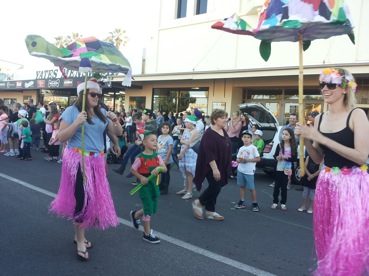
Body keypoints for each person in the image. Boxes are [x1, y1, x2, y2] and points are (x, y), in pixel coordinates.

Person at [295, 68, 369, 275]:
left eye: (331, 85)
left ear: (345, 88)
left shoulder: (357, 114)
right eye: (323, 85)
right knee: (327, 241)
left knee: (347, 243)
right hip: (327, 182)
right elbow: (319, 158)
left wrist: (323, 138)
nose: (325, 89)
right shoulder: (320, 119)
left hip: (352, 185)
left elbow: (361, 156)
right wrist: (307, 139)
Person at [49, 80, 121, 262]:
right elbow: (61, 136)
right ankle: (80, 240)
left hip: (97, 162)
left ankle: (79, 235)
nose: (97, 98)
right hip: (78, 160)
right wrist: (77, 123)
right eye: (93, 94)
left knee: (92, 200)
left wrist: (115, 124)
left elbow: (117, 133)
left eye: (98, 95)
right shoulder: (72, 112)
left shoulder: (102, 113)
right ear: (83, 95)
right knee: (82, 200)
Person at [191, 109, 232, 221]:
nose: (225, 120)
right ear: (215, 119)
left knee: (216, 187)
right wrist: (215, 169)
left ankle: (210, 211)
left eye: (226, 117)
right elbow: (209, 153)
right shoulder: (208, 134)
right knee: (215, 187)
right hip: (210, 166)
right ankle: (198, 202)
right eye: (222, 117)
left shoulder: (223, 130)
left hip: (221, 165)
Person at [129, 130, 167, 244]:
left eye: (156, 140)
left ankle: (135, 215)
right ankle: (147, 233)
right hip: (145, 186)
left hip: (154, 185)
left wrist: (159, 168)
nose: (155, 142)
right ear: (144, 142)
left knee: (152, 207)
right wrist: (140, 177)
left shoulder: (157, 157)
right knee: (148, 210)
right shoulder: (140, 158)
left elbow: (164, 168)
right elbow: (132, 170)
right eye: (152, 140)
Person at [234, 130, 261, 212]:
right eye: (244, 137)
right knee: (242, 187)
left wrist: (247, 160)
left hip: (249, 171)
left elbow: (258, 158)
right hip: (241, 170)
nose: (246, 139)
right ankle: (241, 202)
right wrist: (239, 160)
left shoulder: (253, 148)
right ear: (242, 138)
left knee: (251, 188)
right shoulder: (241, 148)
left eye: (248, 137)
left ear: (251, 139)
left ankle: (255, 203)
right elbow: (237, 158)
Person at [271, 128, 297, 211]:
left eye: (286, 134)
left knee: (284, 187)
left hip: (287, 169)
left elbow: (294, 159)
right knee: (277, 186)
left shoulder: (293, 147)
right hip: (279, 168)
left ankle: (283, 203)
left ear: (290, 136)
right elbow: (275, 156)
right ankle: (275, 202)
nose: (284, 136)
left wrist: (287, 158)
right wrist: (278, 157)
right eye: (283, 134)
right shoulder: (279, 145)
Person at [176, 115, 198, 200]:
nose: (185, 123)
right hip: (184, 150)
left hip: (190, 152)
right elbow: (182, 140)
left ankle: (189, 191)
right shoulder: (186, 130)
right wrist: (185, 142)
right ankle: (185, 189)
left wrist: (182, 152)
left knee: (189, 171)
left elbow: (189, 143)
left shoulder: (195, 131)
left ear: (191, 123)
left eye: (186, 122)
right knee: (184, 169)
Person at [157, 122, 173, 195]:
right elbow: (157, 147)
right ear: (161, 129)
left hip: (166, 159)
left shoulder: (169, 138)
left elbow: (170, 149)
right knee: (161, 173)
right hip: (160, 158)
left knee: (166, 173)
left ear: (169, 129)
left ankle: (165, 188)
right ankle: (161, 185)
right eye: (164, 128)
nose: (165, 129)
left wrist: (166, 160)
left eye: (167, 128)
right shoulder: (159, 137)